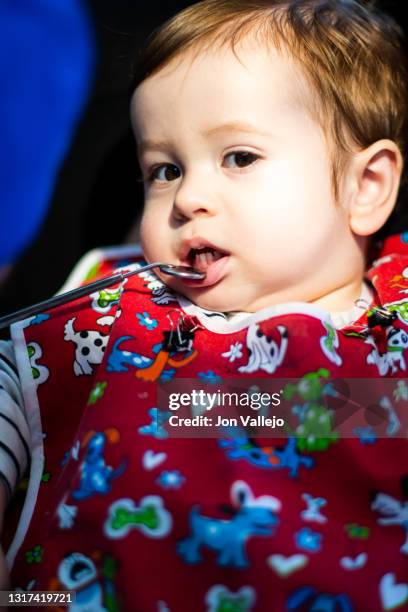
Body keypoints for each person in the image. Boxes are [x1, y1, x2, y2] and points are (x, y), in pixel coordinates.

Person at [1, 0, 408, 609]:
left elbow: (363, 413)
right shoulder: (116, 310)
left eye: (238, 158)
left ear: (365, 186)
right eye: (163, 170)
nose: (188, 196)